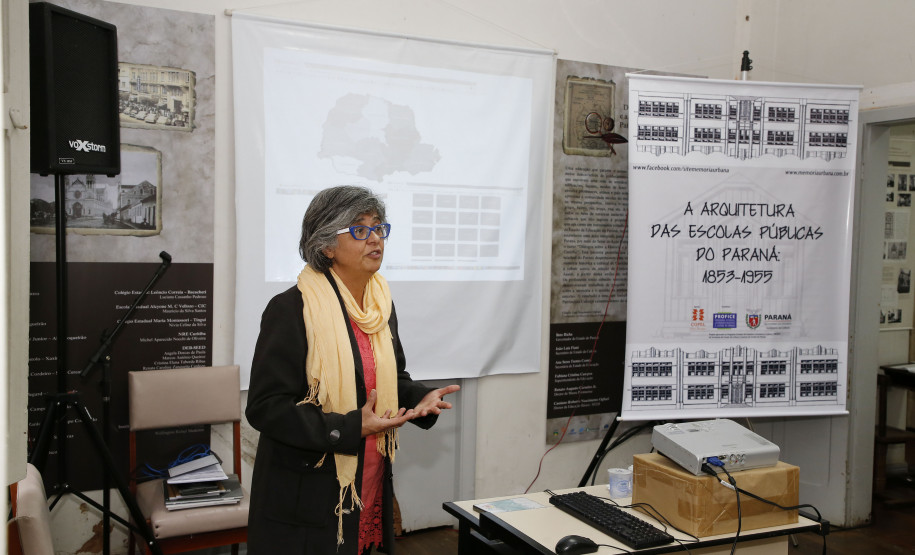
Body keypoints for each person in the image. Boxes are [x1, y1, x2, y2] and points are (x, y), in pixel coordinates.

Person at [246, 185, 460, 555]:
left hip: (370, 478)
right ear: (327, 246)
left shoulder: (379, 305)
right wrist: (349, 427)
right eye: (360, 230)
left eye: (379, 228)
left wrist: (420, 397)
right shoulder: (291, 309)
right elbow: (265, 407)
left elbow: (392, 380)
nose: (375, 239)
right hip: (309, 494)